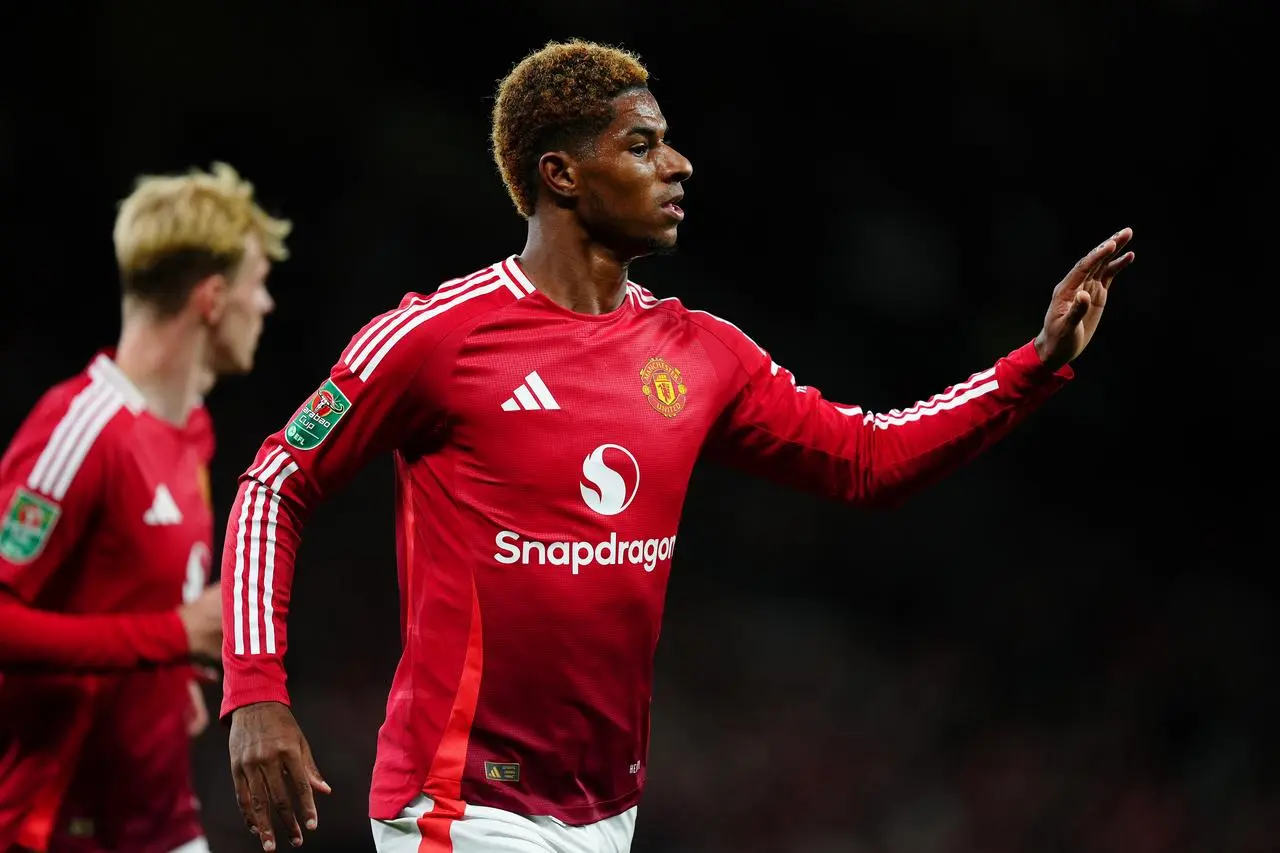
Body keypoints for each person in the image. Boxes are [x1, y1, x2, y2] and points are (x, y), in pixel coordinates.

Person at [220, 39, 1134, 853]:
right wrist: (257, 690)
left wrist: (1031, 366)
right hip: (462, 805)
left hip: (607, 807)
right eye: (643, 145)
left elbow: (866, 460)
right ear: (562, 175)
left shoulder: (699, 353)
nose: (680, 165)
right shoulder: (437, 338)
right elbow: (274, 487)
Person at [0, 161, 289, 853]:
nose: (269, 304)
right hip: (59, 825)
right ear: (213, 298)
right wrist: (171, 637)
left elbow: (120, 594)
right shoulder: (83, 428)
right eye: (259, 284)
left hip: (160, 820)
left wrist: (173, 674)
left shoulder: (192, 428)